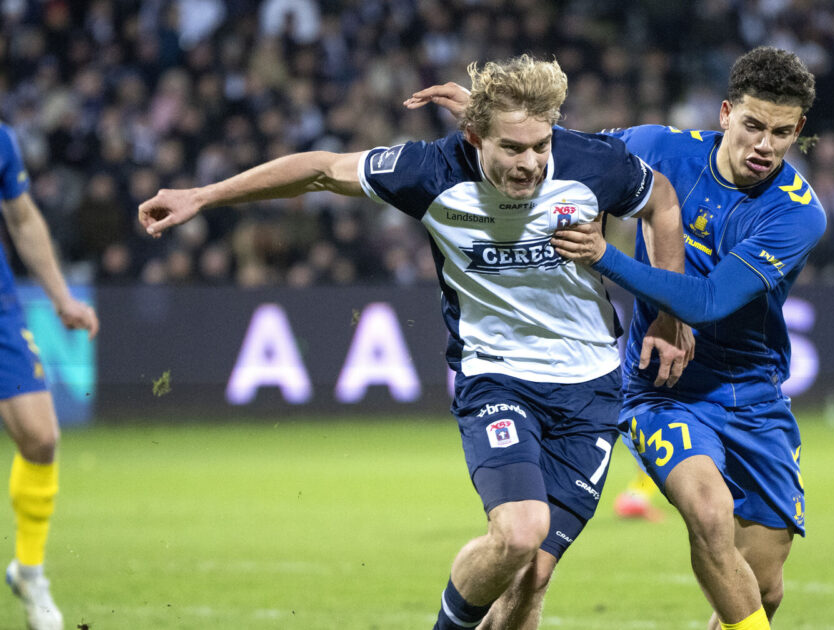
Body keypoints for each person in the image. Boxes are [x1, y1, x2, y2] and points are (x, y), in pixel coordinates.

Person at [137, 55, 691, 630]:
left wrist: (667, 314)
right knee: (520, 532)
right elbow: (322, 169)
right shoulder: (429, 171)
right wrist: (203, 196)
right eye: (512, 149)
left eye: (540, 146)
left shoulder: (592, 164)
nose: (530, 164)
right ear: (474, 136)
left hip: (592, 386)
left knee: (532, 572)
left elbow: (664, 203)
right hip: (496, 375)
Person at [410, 45, 826, 630]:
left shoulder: (796, 214)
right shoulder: (661, 148)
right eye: (753, 125)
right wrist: (487, 117)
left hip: (755, 395)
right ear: (727, 112)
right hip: (662, 389)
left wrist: (607, 256)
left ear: (798, 130)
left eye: (781, 133)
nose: (763, 145)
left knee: (762, 588)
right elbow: (568, 145)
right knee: (706, 515)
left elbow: (707, 304)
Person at [1, 122, 100, 630]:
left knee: (40, 438)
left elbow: (21, 218)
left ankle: (30, 572)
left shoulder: (2, 139)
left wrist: (62, 297)